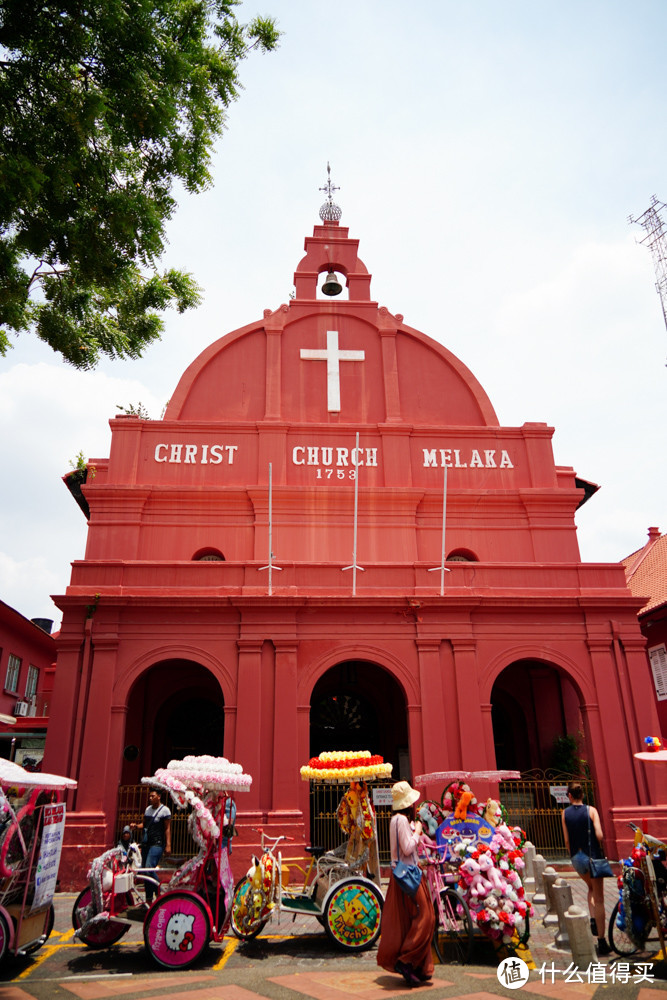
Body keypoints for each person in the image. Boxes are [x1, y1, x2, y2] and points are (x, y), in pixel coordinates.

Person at [377, 780, 435, 987]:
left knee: (411, 918)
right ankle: (406, 960)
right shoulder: (400, 821)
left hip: (404, 874)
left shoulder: (398, 821)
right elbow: (408, 848)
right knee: (426, 916)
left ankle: (422, 967)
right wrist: (418, 831)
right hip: (407, 875)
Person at [561, 781, 610, 955]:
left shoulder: (564, 813)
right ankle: (602, 940)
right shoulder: (591, 810)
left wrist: (574, 854)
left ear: (569, 796)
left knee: (589, 887)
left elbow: (567, 841)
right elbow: (599, 835)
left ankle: (592, 919)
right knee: (600, 899)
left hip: (577, 858)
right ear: (582, 795)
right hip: (592, 856)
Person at [132, 788, 171, 904]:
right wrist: (136, 826)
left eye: (152, 796)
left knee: (149, 867)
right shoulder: (148, 810)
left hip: (157, 844)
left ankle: (159, 892)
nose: (150, 798)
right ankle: (149, 899)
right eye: (149, 796)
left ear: (159, 796)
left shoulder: (165, 810)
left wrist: (168, 845)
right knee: (144, 871)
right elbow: (144, 824)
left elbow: (167, 828)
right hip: (146, 844)